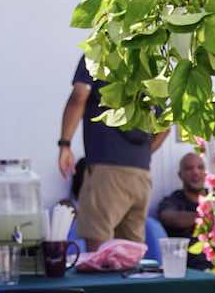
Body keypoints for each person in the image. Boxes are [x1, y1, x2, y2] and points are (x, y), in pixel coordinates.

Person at [59, 57, 166, 246]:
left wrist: (65, 144)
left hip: (106, 170)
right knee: (130, 256)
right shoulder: (153, 59)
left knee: (98, 253)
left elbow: (79, 96)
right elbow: (166, 124)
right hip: (141, 175)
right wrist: (142, 154)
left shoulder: (100, 52)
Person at [154, 150, 215, 270]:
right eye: (189, 168)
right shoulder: (174, 200)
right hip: (190, 270)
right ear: (180, 174)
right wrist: (207, 218)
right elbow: (168, 217)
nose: (195, 172)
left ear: (206, 172)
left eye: (200, 167)